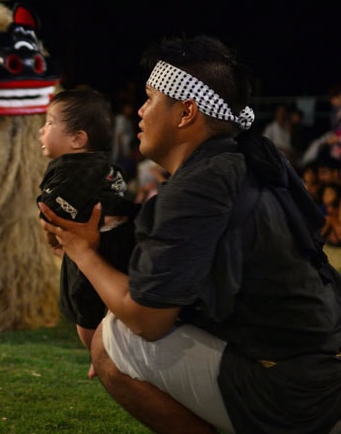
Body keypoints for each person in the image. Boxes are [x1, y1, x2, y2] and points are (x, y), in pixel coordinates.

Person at [39, 35, 341, 433]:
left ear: (185, 113)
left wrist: (82, 251)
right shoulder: (241, 161)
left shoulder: (201, 183)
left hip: (298, 393)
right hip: (318, 370)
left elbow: (148, 320)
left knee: (115, 342)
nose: (140, 113)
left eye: (149, 99)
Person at [37, 88, 138, 378]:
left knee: (83, 308)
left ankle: (99, 354)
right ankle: (102, 352)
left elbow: (51, 206)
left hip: (89, 248)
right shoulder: (101, 166)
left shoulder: (74, 171)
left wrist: (46, 211)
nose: (42, 130)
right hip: (107, 245)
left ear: (77, 139)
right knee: (95, 305)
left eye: (50, 122)